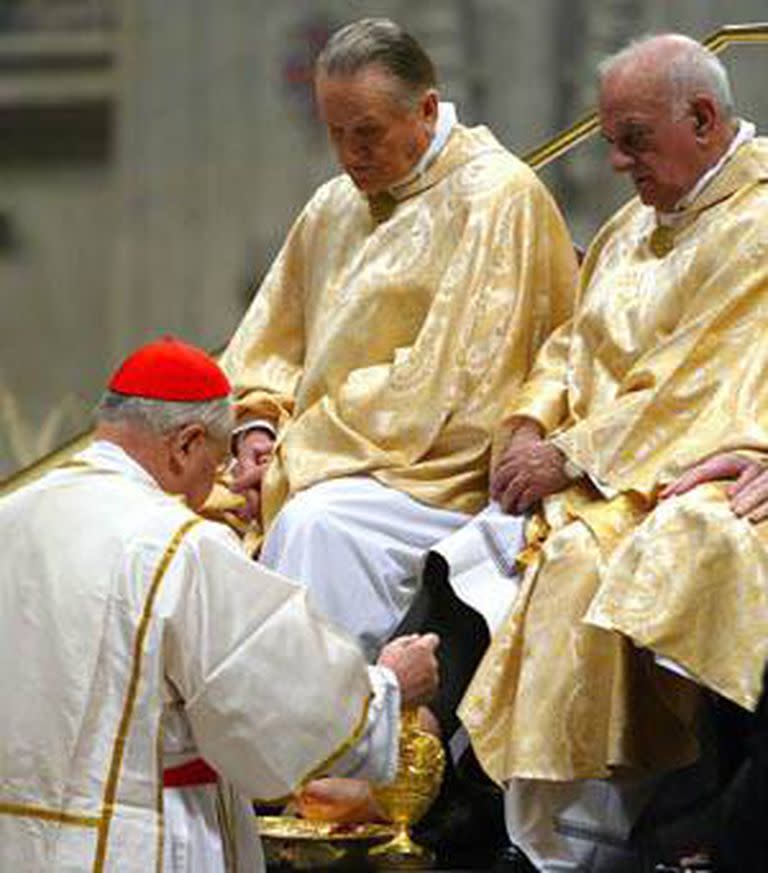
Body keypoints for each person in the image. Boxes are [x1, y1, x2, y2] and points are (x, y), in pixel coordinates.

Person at [454, 34, 768, 871]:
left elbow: (701, 377)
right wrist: (526, 422)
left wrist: (574, 455)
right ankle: (484, 812)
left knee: (594, 562)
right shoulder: (633, 225)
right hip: (595, 461)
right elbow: (570, 345)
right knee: (463, 550)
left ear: (703, 118)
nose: (621, 164)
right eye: (612, 144)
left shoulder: (758, 218)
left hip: (687, 454)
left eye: (635, 139)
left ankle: (596, 836)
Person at [0, 336, 440, 872]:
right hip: (136, 846)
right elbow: (277, 705)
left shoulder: (11, 516)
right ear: (185, 444)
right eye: (218, 457)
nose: (224, 482)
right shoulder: (176, 545)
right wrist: (388, 688)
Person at [215, 17, 578, 657]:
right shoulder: (332, 206)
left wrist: (296, 451)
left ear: (427, 110)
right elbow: (269, 347)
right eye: (336, 134)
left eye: (367, 134)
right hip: (326, 456)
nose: (350, 155)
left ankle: (333, 735)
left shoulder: (498, 198)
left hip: (433, 473)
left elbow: (455, 388)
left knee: (316, 526)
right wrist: (256, 431)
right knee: (179, 525)